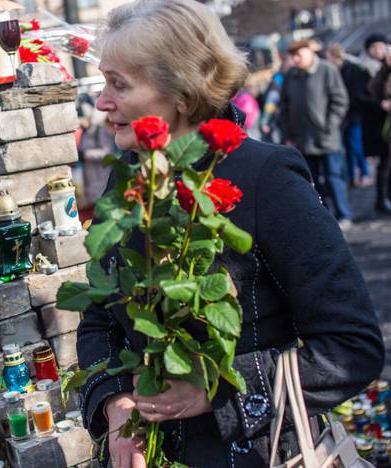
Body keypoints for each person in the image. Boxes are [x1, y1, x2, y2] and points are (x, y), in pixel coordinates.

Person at [77, 1, 384, 467]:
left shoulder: (267, 178)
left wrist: (213, 389)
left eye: (119, 84)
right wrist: (115, 408)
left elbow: (352, 346)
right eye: (104, 82)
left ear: (179, 90)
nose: (101, 102)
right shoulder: (128, 181)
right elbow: (99, 318)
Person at [279, 39, 353, 229]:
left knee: (333, 177)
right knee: (312, 181)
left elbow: (340, 100)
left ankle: (344, 215)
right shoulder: (291, 75)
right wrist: (288, 133)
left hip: (327, 137)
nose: (295, 60)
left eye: (299, 55)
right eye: (293, 56)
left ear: (310, 52)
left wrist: (331, 124)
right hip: (302, 139)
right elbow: (284, 106)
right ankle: (325, 217)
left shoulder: (327, 70)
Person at [325, 43, 373, 188]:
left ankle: (364, 173)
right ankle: (352, 176)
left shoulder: (351, 69)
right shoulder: (337, 70)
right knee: (348, 147)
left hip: (353, 115)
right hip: (345, 116)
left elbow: (354, 94)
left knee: (355, 146)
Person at [358, 33, 391, 213]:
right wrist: (381, 104)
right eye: (374, 47)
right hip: (378, 122)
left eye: (381, 46)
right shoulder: (364, 69)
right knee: (385, 163)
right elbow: (364, 94)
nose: (379, 51)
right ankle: (382, 199)